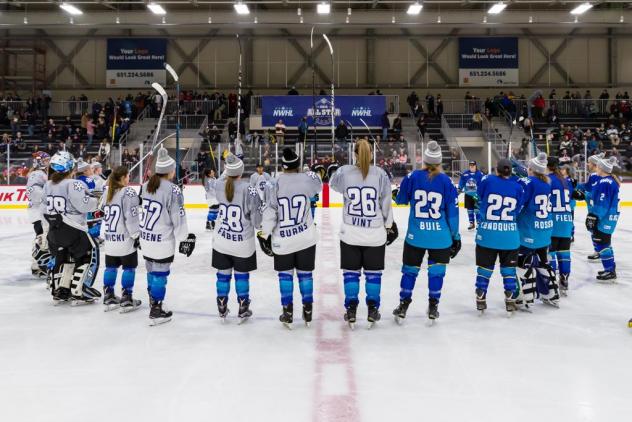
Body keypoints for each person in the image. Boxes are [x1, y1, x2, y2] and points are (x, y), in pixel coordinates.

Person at [329, 139, 397, 329]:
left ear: (355, 154)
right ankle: (373, 309)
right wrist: (389, 225)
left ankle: (351, 309)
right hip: (375, 233)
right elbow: (386, 204)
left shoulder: (344, 172)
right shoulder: (381, 174)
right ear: (372, 154)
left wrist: (334, 170)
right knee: (373, 274)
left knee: (351, 274)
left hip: (350, 233)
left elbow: (334, 185)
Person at [392, 141, 461, 323]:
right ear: (439, 161)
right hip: (441, 238)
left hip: (416, 237)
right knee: (436, 273)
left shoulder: (413, 176)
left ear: (424, 159)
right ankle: (433, 306)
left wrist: (396, 195)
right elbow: (453, 214)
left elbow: (400, 200)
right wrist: (456, 237)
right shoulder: (447, 182)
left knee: (409, 272)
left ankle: (403, 305)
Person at [258, 148, 322, 328]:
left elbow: (270, 212)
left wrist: (264, 235)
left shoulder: (274, 183)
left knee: (285, 276)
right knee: (305, 275)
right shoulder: (308, 179)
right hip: (306, 238)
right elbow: (318, 185)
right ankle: (308, 309)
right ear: (297, 163)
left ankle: (287, 312)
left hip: (283, 240)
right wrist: (312, 171)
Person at [139, 147, 196, 325]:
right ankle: (156, 309)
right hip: (162, 240)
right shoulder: (173, 190)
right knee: (160, 274)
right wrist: (184, 237)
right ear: (170, 171)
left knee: (151, 269)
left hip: (146, 237)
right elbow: (178, 218)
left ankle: (152, 301)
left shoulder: (145, 186)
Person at [209, 154, 263, 322]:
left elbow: (215, 183)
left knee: (223, 275)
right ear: (241, 171)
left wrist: (227, 171)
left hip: (221, 241)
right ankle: (243, 306)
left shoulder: (218, 186)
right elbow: (257, 222)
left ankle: (222, 305)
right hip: (242, 243)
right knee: (241, 275)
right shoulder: (249, 189)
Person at [42, 151, 100, 304]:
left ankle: (61, 289)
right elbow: (84, 205)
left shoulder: (48, 185)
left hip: (54, 230)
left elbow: (44, 209)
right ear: (69, 168)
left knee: (63, 257)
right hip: (73, 228)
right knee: (89, 254)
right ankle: (80, 289)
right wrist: (96, 200)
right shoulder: (73, 184)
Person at [474, 158, 524, 316]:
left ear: (497, 169)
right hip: (509, 236)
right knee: (508, 270)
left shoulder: (487, 180)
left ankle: (481, 296)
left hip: (487, 234)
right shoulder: (518, 186)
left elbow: (479, 196)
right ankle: (510, 298)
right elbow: (518, 209)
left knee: (484, 269)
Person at [515, 153, 557, 308]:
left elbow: (519, 203)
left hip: (528, 230)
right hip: (544, 230)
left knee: (522, 262)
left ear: (531, 168)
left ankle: (524, 297)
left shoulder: (528, 182)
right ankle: (552, 293)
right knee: (543, 262)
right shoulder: (547, 182)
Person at [100, 166, 142, 312]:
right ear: (124, 177)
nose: (129, 179)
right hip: (125, 239)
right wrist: (136, 235)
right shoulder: (128, 192)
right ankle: (127, 298)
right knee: (129, 268)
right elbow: (131, 218)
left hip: (110, 238)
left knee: (110, 267)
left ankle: (109, 295)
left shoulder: (107, 191)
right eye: (128, 176)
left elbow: (100, 209)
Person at [586, 156, 620, 282]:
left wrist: (594, 216)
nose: (597, 167)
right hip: (609, 218)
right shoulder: (609, 180)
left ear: (601, 168)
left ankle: (610, 271)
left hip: (605, 219)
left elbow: (602, 203)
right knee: (605, 242)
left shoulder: (605, 182)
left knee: (602, 243)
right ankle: (610, 268)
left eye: (598, 166)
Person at [547, 157, 575, 297]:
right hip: (566, 221)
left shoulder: (547, 180)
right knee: (564, 253)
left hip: (553, 222)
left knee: (551, 253)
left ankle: (551, 281)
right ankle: (564, 279)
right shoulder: (565, 180)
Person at [26, 152, 52, 278]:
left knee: (41, 237)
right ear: (40, 161)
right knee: (42, 237)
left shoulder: (41, 173)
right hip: (37, 211)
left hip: (38, 211)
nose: (48, 162)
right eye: (46, 160)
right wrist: (47, 199)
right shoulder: (37, 174)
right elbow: (32, 191)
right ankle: (40, 264)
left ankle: (37, 264)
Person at [578, 153, 605, 262]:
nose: (587, 164)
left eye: (589, 162)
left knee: (597, 229)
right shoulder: (595, 175)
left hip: (596, 208)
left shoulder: (597, 176)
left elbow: (591, 191)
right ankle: (599, 250)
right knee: (595, 229)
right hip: (594, 207)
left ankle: (600, 250)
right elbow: (587, 187)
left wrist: (582, 193)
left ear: (594, 164)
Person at [458, 161, 484, 230]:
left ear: (476, 166)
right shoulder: (465, 174)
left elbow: (483, 184)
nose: (472, 166)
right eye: (470, 165)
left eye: (473, 165)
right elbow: (461, 182)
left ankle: (479, 223)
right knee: (470, 210)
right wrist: (459, 188)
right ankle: (471, 223)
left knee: (477, 209)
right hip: (468, 195)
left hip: (476, 195)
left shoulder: (480, 174)